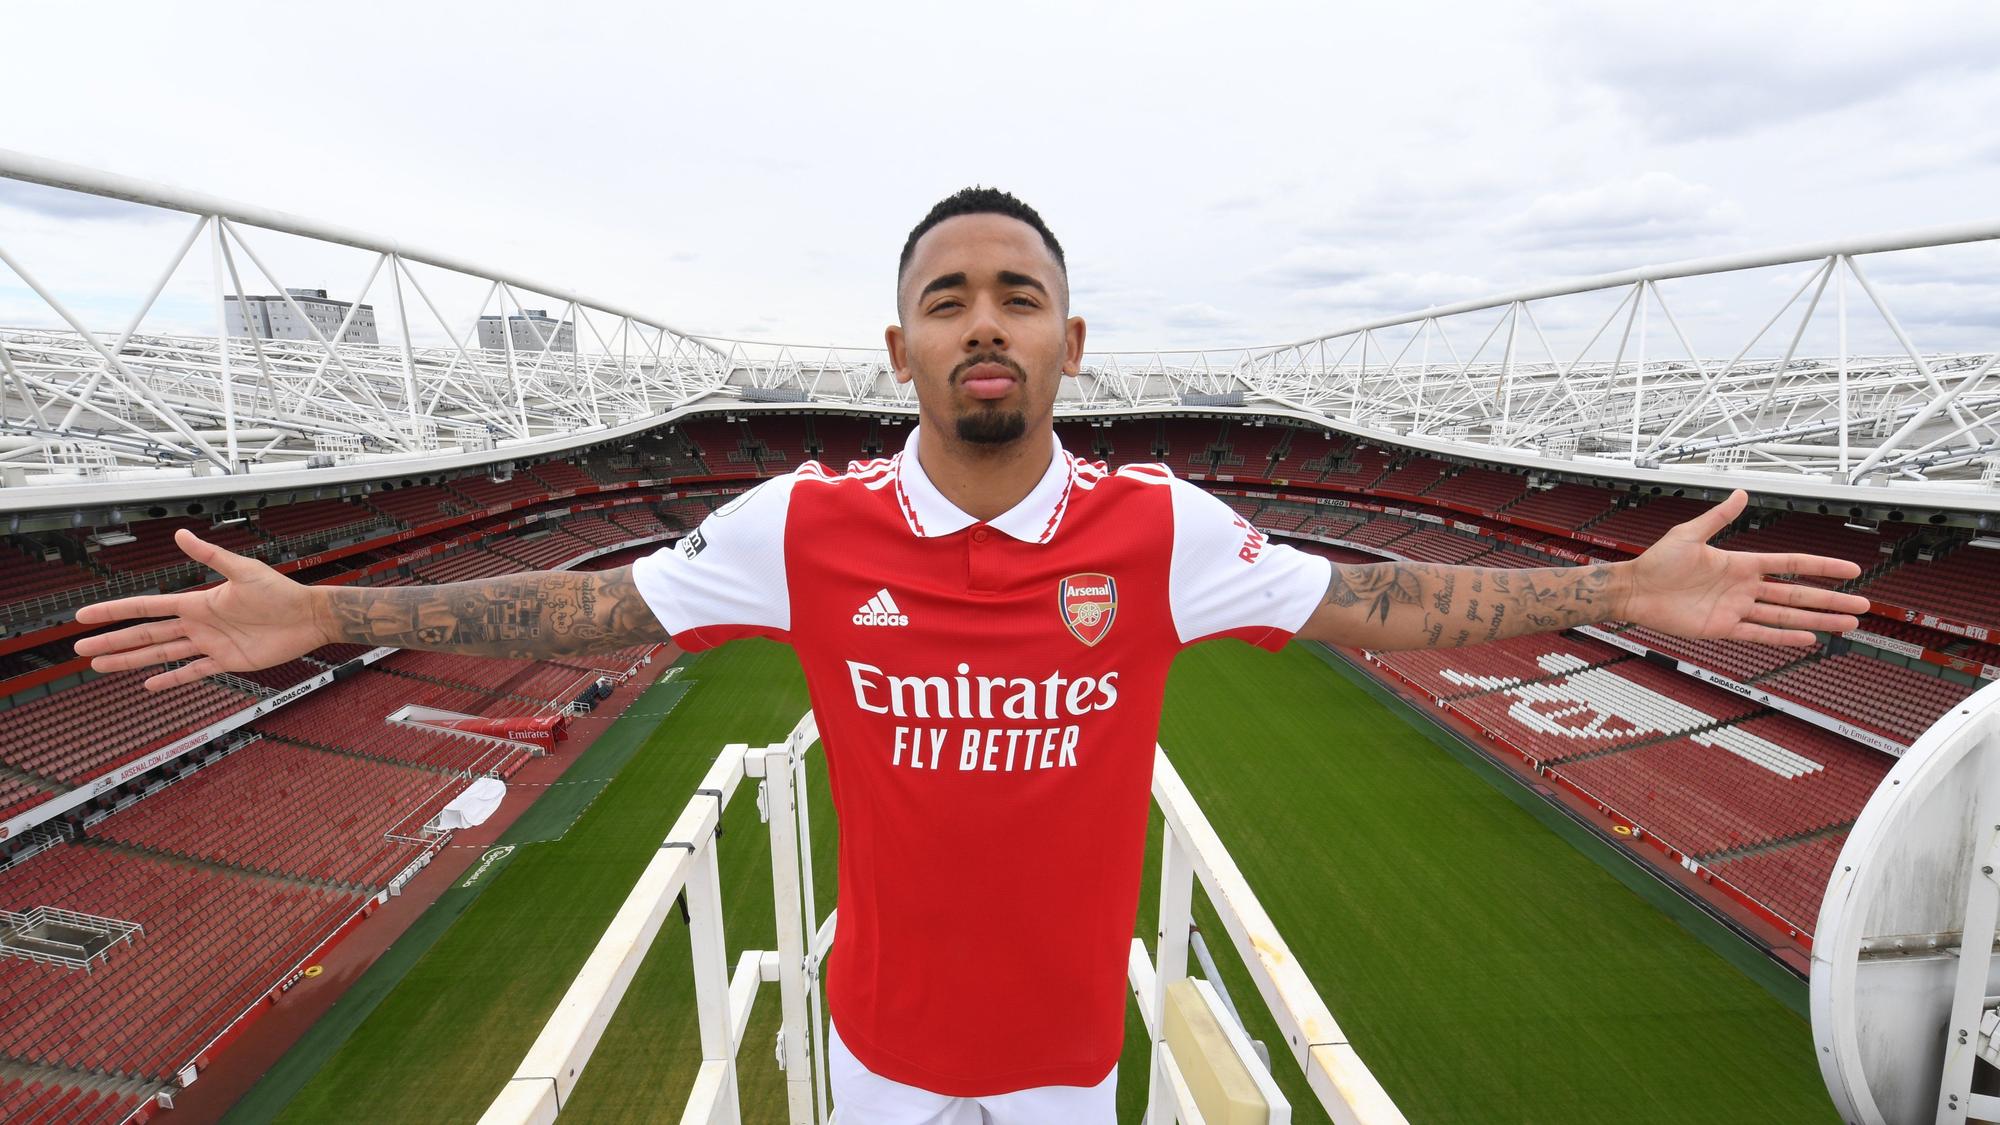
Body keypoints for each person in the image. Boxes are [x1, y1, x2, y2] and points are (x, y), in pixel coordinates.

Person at [73, 187, 1870, 1125]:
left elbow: (1381, 600)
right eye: (952, 299)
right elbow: (587, 606)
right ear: (901, 346)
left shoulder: (1163, 531)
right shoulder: (802, 524)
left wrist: (1621, 596)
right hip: (878, 1052)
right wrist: (330, 612)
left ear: (1070, 339)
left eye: (1016, 296)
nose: (985, 324)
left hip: (1071, 1057)